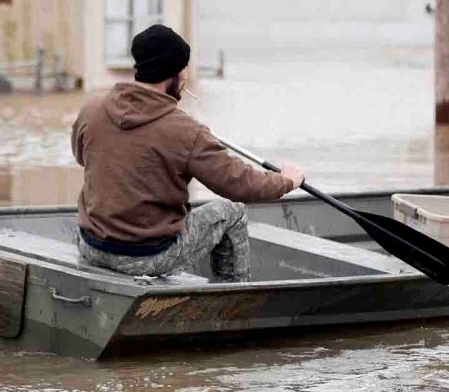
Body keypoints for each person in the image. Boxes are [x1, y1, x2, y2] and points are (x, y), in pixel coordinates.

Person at [71, 24, 305, 283]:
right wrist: (287, 180)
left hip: (91, 247)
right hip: (149, 257)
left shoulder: (90, 110)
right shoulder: (187, 131)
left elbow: (83, 157)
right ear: (172, 74)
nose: (185, 77)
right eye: (183, 69)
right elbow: (240, 185)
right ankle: (235, 301)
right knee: (233, 211)